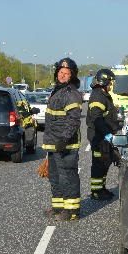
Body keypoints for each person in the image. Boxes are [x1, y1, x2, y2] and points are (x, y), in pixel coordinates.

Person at [42, 57, 83, 221]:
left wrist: (63, 140)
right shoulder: (57, 91)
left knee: (68, 177)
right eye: (60, 72)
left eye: (66, 73)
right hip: (54, 144)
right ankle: (59, 207)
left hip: (66, 145)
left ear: (72, 76)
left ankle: (72, 211)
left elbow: (73, 120)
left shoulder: (72, 94)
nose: (62, 75)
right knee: (55, 176)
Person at [87, 68, 118, 200]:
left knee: (105, 162)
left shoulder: (103, 95)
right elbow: (97, 118)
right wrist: (107, 134)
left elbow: (107, 116)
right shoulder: (98, 96)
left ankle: (102, 188)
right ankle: (96, 191)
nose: (111, 85)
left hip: (104, 137)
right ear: (104, 82)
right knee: (99, 164)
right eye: (110, 83)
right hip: (98, 137)